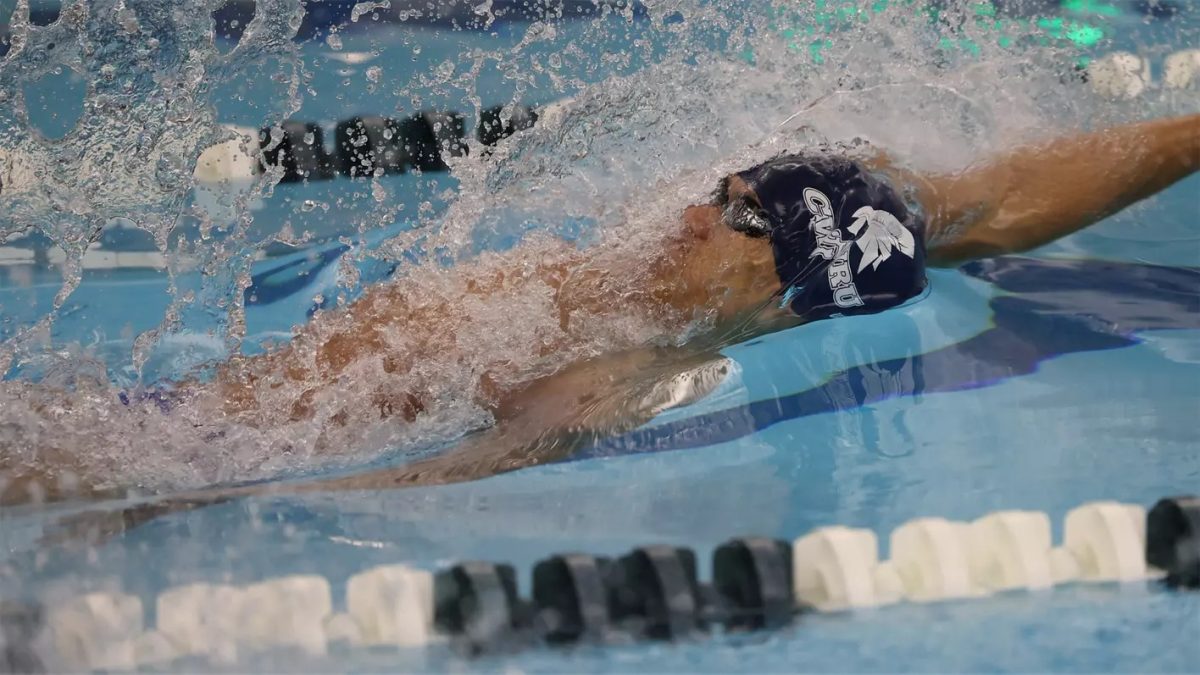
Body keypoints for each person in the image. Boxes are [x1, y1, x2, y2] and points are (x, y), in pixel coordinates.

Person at [2, 113, 1198, 506]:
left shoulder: (623, 366)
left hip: (169, 445)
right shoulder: (652, 283)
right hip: (166, 407)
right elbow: (998, 202)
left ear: (768, 285)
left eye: (734, 219)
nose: (695, 208)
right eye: (724, 188)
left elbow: (430, 477)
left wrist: (169, 498)